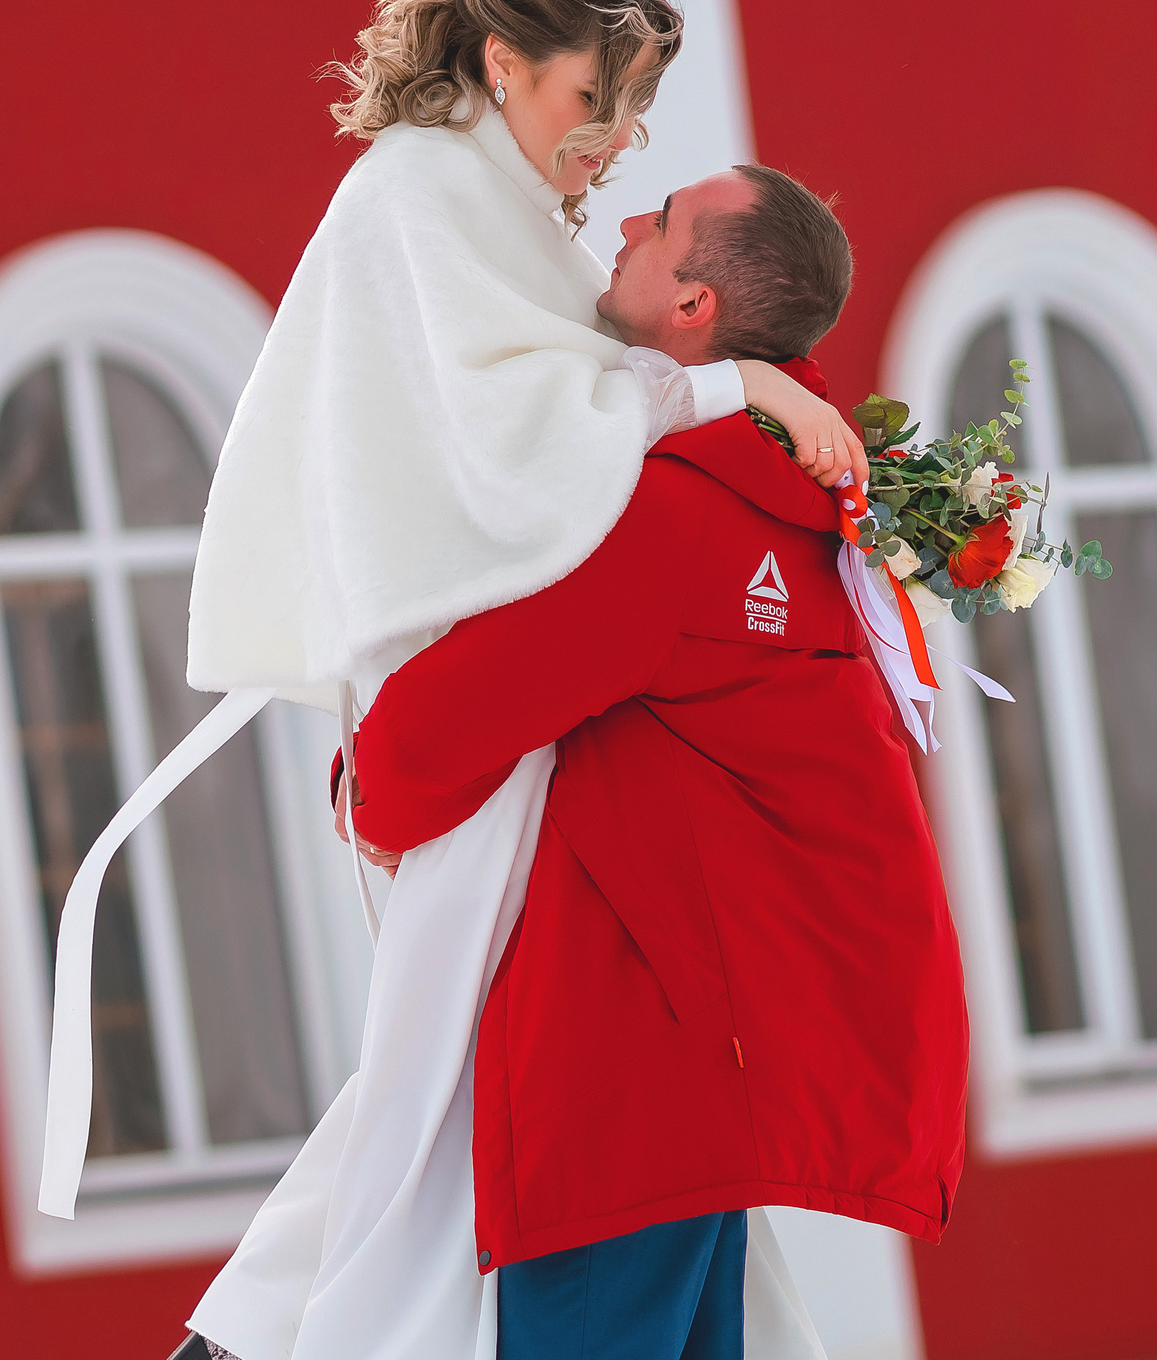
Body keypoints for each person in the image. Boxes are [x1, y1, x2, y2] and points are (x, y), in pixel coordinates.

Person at [169, 0, 868, 1360]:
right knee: (434, 1076)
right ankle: (273, 1333)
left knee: (433, 1081)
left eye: (635, 110)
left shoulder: (503, 210)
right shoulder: (421, 193)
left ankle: (254, 1336)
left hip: (507, 718)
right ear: (503, 60)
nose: (614, 144)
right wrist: (729, 388)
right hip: (461, 692)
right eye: (591, 99)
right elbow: (523, 445)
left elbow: (573, 413)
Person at [346, 165, 971, 1359]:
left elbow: (448, 722)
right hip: (701, 1065)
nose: (625, 221)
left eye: (662, 222)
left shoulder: (677, 517)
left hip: (630, 1067)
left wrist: (365, 792)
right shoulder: (797, 508)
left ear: (692, 308)